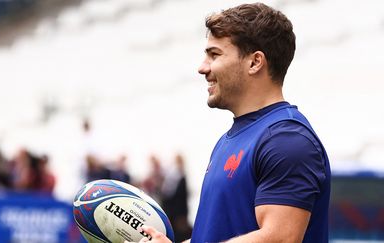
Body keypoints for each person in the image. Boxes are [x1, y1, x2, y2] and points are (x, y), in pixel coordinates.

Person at [128, 2, 331, 243]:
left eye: (214, 54)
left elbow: (279, 239)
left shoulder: (286, 140)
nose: (202, 68)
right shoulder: (229, 140)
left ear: (255, 62)